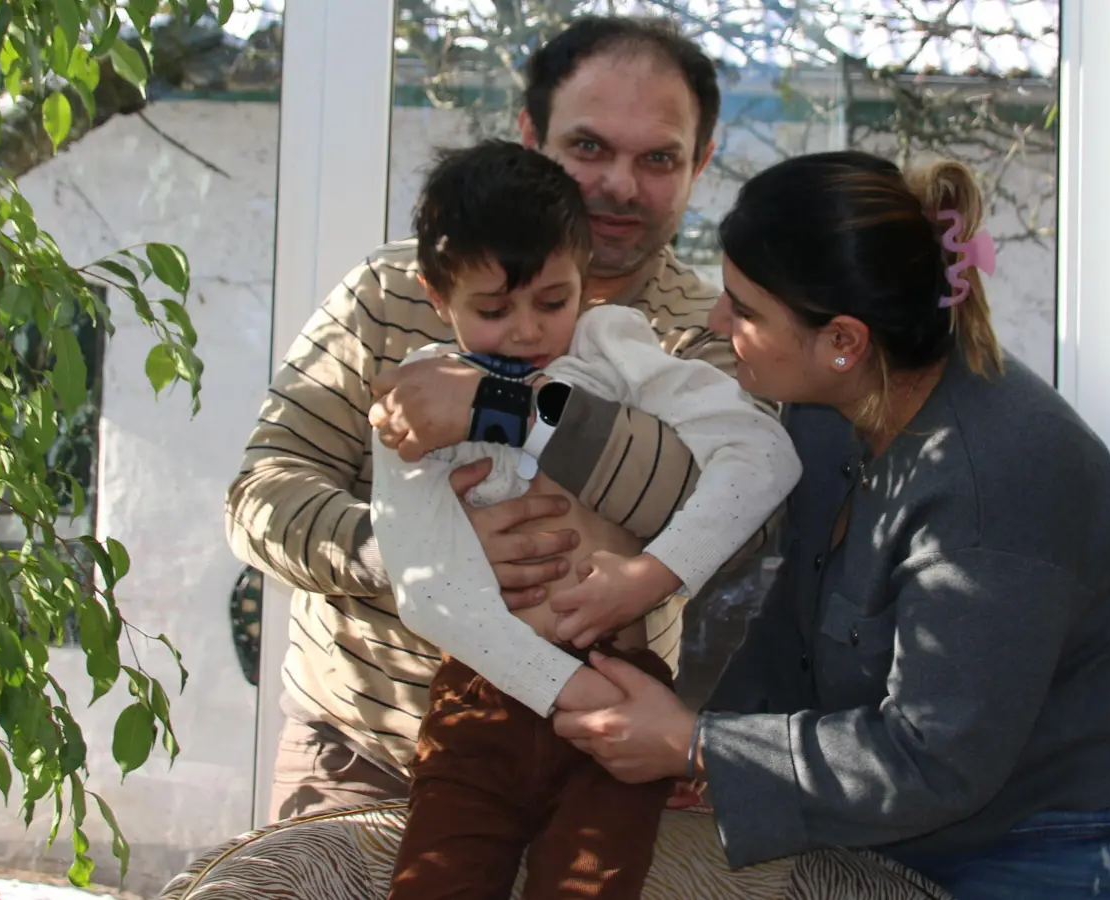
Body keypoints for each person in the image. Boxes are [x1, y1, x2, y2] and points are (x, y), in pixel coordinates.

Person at [551, 150, 1110, 899]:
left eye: (746, 309)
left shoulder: (993, 480)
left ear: (844, 342)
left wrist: (697, 746)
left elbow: (934, 758)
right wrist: (705, 736)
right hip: (956, 823)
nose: (720, 323)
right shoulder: (830, 414)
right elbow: (793, 617)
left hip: (1101, 839)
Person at [223, 15, 750, 821]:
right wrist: (407, 552)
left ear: (700, 164)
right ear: (530, 134)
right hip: (363, 757)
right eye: (588, 148)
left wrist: (495, 406)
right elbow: (261, 493)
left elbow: (706, 508)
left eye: (657, 159)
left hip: (590, 764)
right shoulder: (392, 289)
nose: (618, 184)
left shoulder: (711, 329)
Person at [375, 140, 797, 900]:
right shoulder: (417, 398)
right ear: (437, 296)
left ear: (586, 279)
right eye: (493, 310)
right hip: (483, 702)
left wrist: (651, 577)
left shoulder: (614, 347)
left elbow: (764, 456)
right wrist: (568, 690)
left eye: (554, 300)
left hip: (624, 695)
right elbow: (426, 591)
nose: (530, 332)